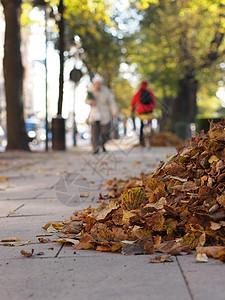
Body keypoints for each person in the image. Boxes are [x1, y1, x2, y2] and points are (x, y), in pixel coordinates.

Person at [86, 75, 117, 154]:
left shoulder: (106, 91)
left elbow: (111, 102)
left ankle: (102, 144)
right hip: (94, 114)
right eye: (96, 83)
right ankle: (95, 148)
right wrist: (90, 102)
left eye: (99, 83)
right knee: (94, 132)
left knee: (105, 131)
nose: (97, 85)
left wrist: (114, 112)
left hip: (105, 114)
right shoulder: (90, 91)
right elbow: (86, 101)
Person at [131, 80, 156, 146]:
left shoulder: (139, 92)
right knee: (150, 123)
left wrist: (133, 108)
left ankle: (141, 141)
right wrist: (152, 107)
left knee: (141, 125)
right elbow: (153, 101)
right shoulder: (150, 92)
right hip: (149, 110)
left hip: (141, 111)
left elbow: (134, 101)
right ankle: (151, 137)